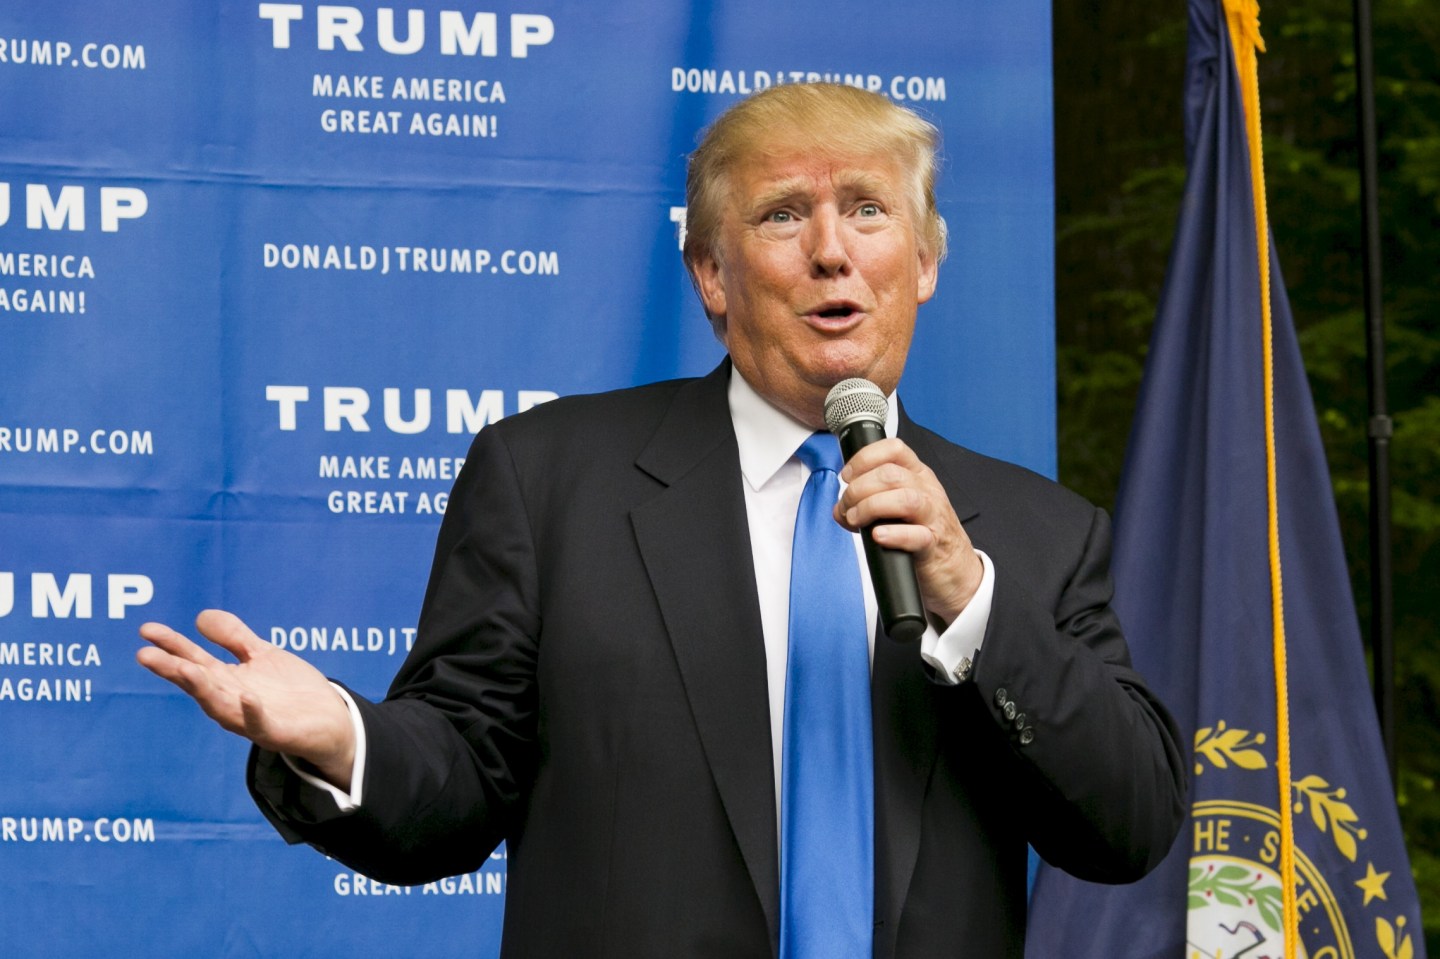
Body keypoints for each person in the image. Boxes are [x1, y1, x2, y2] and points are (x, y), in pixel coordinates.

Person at [138, 83, 1186, 958]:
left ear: (923, 264)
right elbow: (455, 784)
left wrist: (974, 603)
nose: (831, 250)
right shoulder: (550, 480)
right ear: (710, 276)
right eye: (783, 214)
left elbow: (1130, 821)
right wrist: (341, 738)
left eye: (868, 210)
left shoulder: (1038, 534)